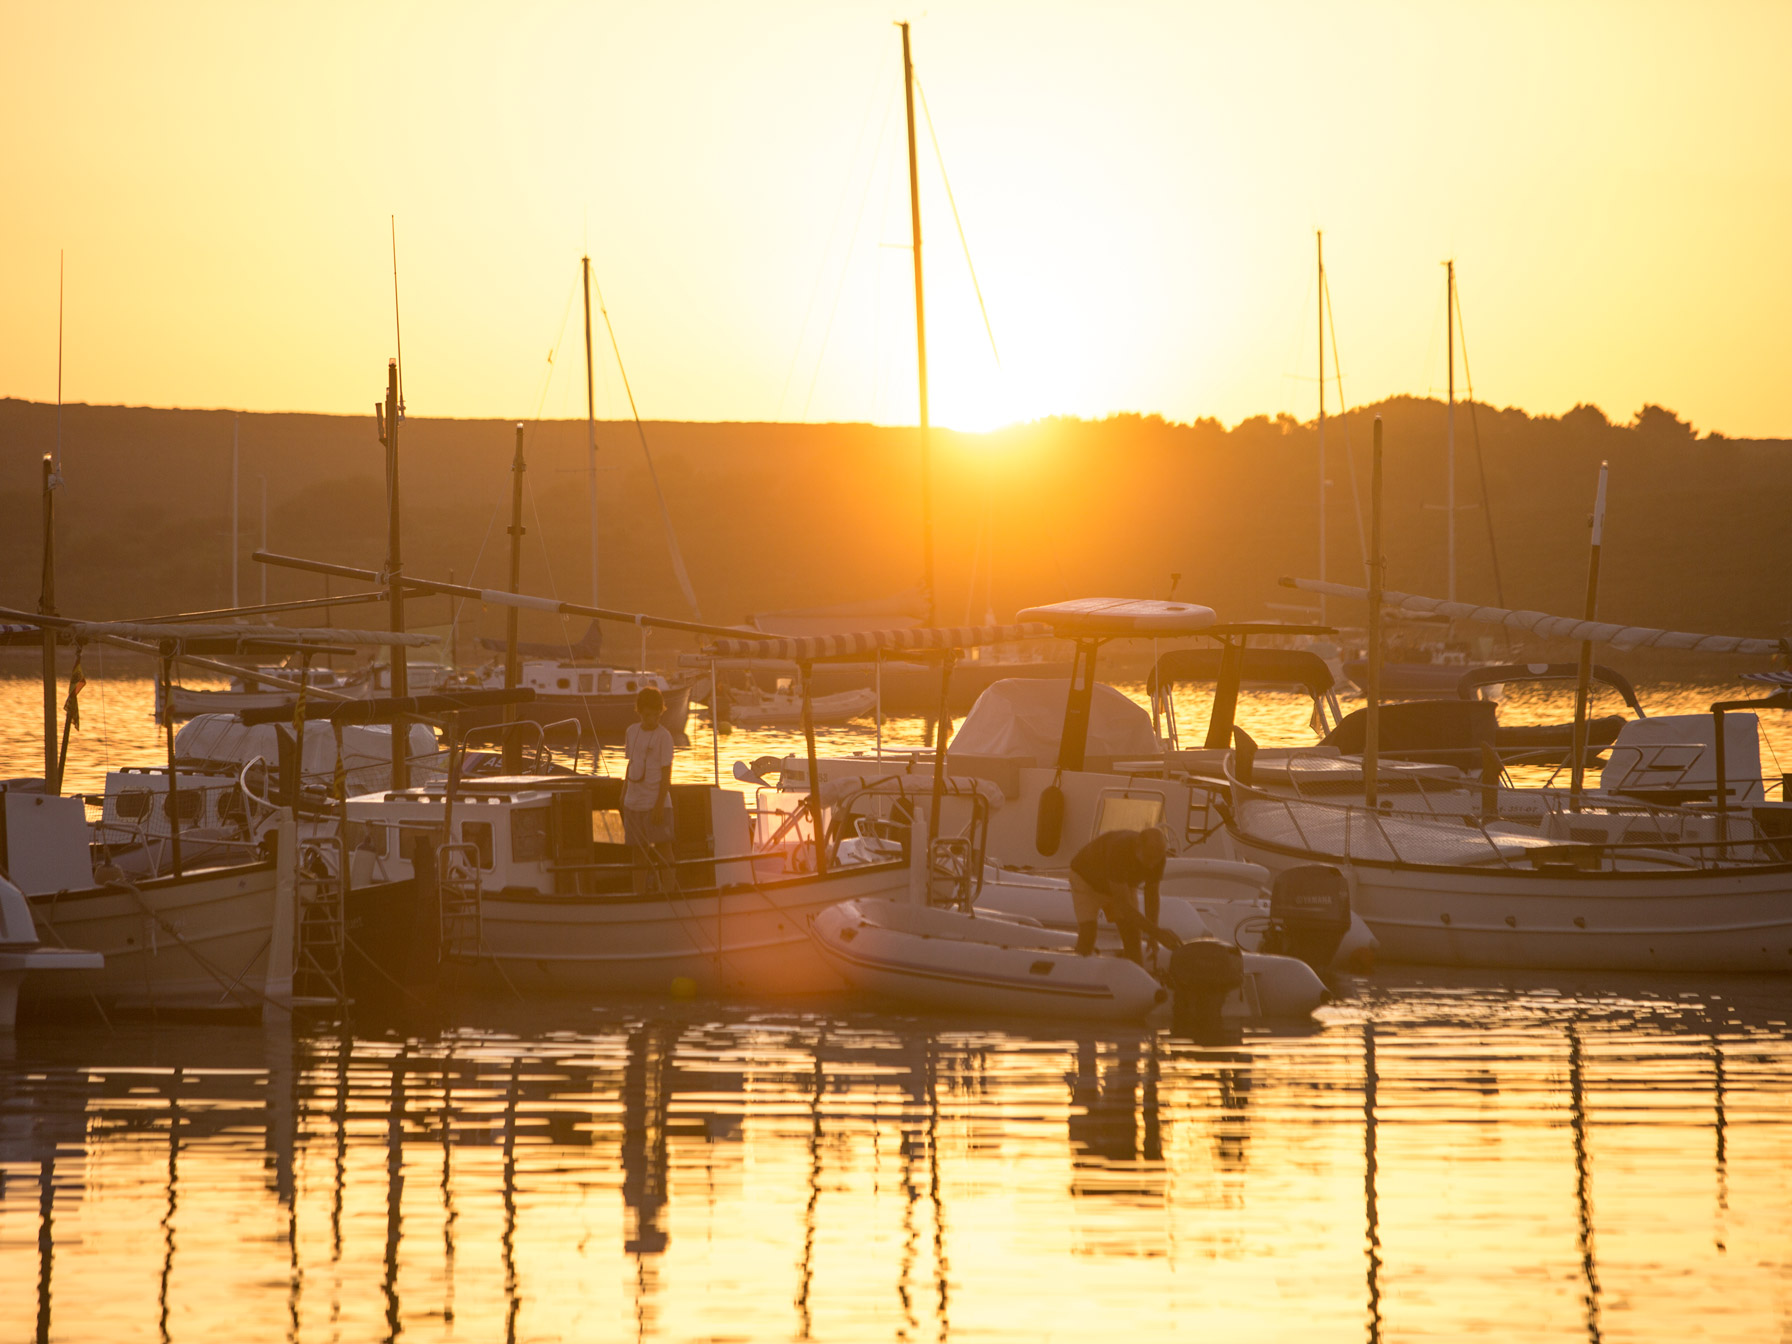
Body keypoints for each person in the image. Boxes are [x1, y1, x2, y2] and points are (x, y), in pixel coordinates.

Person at [1067, 826, 1178, 963]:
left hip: (1122, 883)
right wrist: (1156, 932)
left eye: (1157, 858)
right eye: (1149, 857)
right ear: (1138, 845)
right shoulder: (1119, 850)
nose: (1151, 865)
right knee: (1088, 933)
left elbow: (1152, 896)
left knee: (1132, 936)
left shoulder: (1158, 859)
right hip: (1086, 879)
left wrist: (1152, 935)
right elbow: (1124, 906)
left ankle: (1135, 977)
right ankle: (1079, 969)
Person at [623, 686, 676, 885]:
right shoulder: (631, 731)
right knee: (638, 853)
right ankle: (638, 895)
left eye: (656, 716)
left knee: (664, 851)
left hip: (656, 803)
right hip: (633, 802)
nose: (652, 720)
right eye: (647, 716)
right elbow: (631, 764)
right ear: (639, 712)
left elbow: (666, 774)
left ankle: (670, 892)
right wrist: (623, 796)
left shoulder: (665, 737)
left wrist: (659, 805)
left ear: (661, 712)